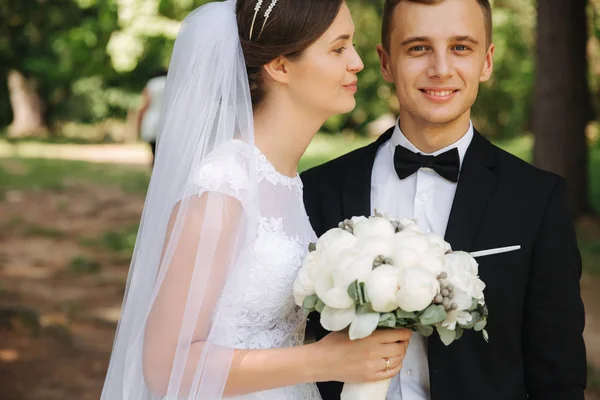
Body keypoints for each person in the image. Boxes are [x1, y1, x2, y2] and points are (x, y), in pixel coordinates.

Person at [101, 1, 412, 399]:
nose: (357, 63)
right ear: (280, 66)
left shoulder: (286, 180)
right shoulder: (222, 188)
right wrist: (325, 360)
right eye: (338, 48)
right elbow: (165, 367)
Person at [301, 0, 587, 399]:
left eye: (460, 48)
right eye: (418, 47)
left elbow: (559, 377)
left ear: (486, 62)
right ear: (386, 62)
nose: (440, 68)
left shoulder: (538, 199)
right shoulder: (316, 189)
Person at [137, 70, 167, 166]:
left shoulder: (152, 84)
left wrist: (139, 121)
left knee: (154, 150)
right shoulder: (172, 82)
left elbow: (146, 104)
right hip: (168, 121)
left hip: (153, 120)